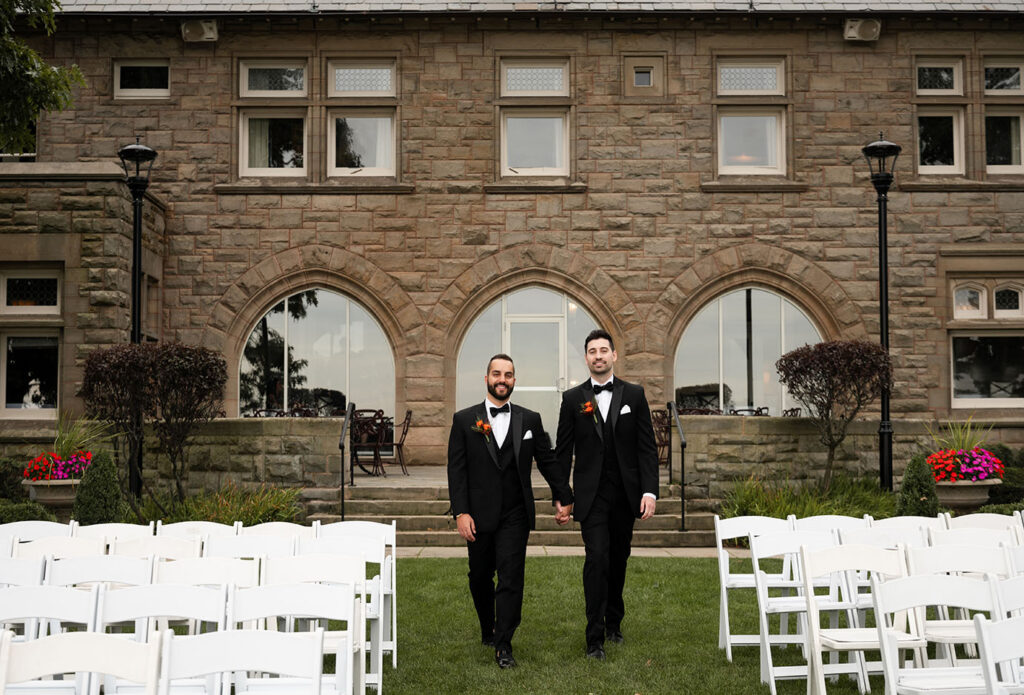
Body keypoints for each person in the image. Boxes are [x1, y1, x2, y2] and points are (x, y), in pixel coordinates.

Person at [447, 353, 573, 669]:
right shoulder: (465, 420)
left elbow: (547, 461)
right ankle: (488, 627)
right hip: (477, 514)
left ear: (514, 380)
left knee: (512, 577)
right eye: (497, 374)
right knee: (479, 577)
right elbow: (457, 471)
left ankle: (504, 644)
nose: (502, 379)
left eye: (508, 375)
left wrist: (564, 496)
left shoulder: (530, 420)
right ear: (487, 378)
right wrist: (460, 512)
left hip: (515, 514)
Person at [555, 329, 659, 660]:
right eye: (592, 351)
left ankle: (614, 621)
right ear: (586, 358)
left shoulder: (635, 395)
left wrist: (650, 491)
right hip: (591, 496)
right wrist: (562, 495)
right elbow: (563, 451)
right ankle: (594, 638)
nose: (598, 356)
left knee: (618, 560)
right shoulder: (572, 399)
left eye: (604, 350)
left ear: (614, 355)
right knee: (596, 558)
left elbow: (646, 448)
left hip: (626, 495)